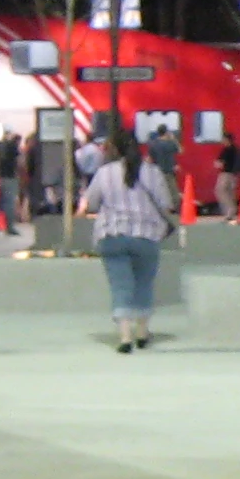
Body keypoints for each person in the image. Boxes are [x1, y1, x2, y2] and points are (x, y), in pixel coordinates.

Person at [84, 126, 175, 352]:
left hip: (112, 234)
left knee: (120, 285)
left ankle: (125, 337)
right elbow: (166, 203)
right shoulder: (152, 172)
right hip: (146, 235)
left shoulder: (104, 173)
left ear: (113, 149)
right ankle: (142, 333)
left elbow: (92, 202)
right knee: (144, 282)